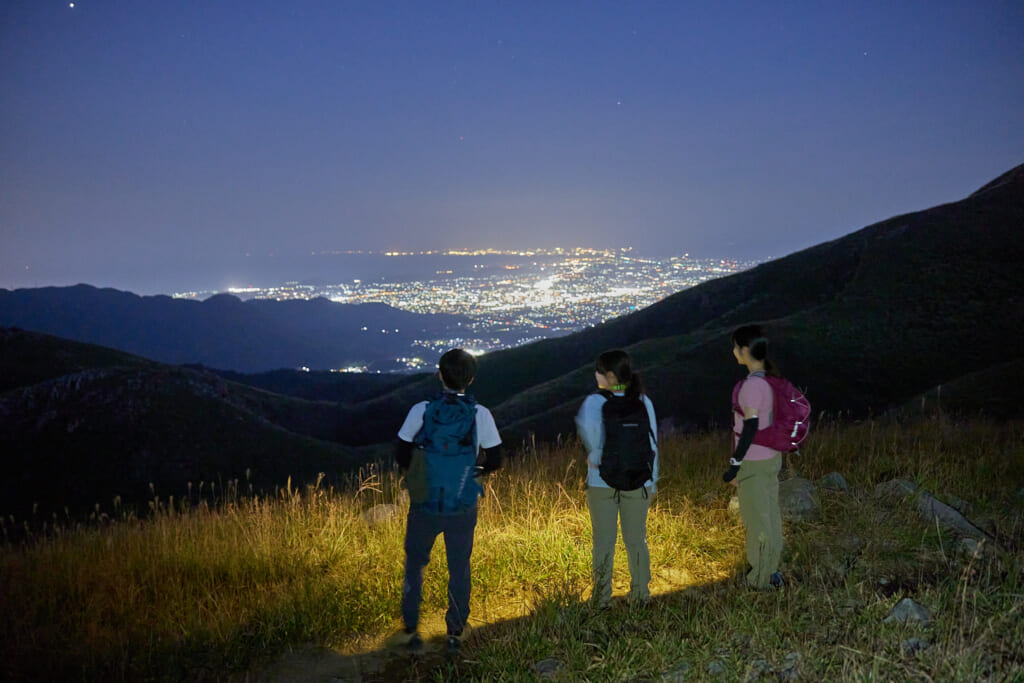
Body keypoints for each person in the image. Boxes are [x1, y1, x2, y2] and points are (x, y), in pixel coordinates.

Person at [390, 348, 502, 653]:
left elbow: (401, 452)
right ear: (472, 378)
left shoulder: (421, 410)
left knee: (415, 564)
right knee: (459, 566)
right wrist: (470, 472)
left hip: (424, 503)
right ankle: (455, 630)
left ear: (440, 374)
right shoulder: (481, 414)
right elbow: (496, 459)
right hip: (462, 503)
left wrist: (423, 471)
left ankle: (411, 627)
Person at [575, 349, 659, 608]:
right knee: (636, 539)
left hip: (602, 482)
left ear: (610, 376)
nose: (596, 375)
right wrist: (652, 480)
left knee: (604, 543)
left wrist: (595, 456)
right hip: (638, 480)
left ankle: (601, 599)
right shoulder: (643, 401)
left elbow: (592, 446)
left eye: (599, 371)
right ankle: (641, 595)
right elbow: (653, 442)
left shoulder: (593, 403)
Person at [724, 325, 784, 589]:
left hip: (754, 461)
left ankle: (760, 579)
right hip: (771, 457)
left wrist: (736, 464)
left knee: (756, 520)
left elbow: (750, 427)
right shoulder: (770, 380)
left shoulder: (750, 387)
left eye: (736, 346)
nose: (734, 351)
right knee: (770, 515)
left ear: (745, 351)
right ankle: (771, 569)